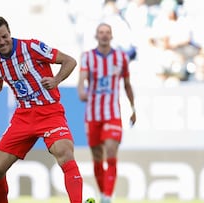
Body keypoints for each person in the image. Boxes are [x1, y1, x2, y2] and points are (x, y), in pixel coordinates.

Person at [0, 16, 83, 203]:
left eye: (4, 36)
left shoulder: (31, 47)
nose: (1, 42)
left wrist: (56, 80)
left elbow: (70, 61)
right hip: (23, 117)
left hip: (50, 111)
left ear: (9, 32)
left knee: (65, 154)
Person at [77, 23, 136, 203]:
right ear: (96, 36)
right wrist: (81, 91)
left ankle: (107, 197)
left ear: (111, 36)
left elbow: (126, 84)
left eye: (107, 33)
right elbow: (82, 80)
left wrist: (133, 108)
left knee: (110, 151)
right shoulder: (87, 57)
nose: (104, 35)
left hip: (112, 114)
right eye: (101, 32)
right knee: (97, 156)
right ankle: (103, 193)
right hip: (93, 114)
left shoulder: (121, 58)